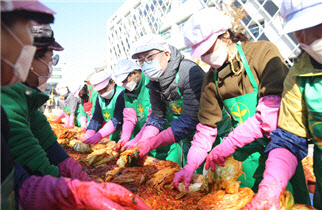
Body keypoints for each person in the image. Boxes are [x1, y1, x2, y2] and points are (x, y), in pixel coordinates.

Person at [1, 0, 150, 210]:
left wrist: (65, 171)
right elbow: (25, 150)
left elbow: (40, 139)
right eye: (20, 46)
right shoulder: (9, 93)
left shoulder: (21, 93)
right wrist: (62, 190)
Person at [180, 6, 310, 203]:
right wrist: (190, 165)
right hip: (245, 159)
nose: (204, 57)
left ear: (224, 35)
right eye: (201, 53)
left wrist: (228, 144)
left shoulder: (262, 53)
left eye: (208, 50)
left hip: (280, 151)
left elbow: (270, 115)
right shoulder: (211, 80)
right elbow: (206, 130)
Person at [245, 0, 322, 209]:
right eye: (298, 30)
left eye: (315, 26)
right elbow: (290, 135)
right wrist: (271, 185)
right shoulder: (299, 75)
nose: (305, 38)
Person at [123, 33, 232, 173]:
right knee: (192, 182)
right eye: (141, 61)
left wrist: (151, 143)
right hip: (188, 140)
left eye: (150, 57)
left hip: (214, 137)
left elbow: (190, 120)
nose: (145, 64)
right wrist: (141, 142)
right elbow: (157, 117)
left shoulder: (188, 72)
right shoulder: (154, 81)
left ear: (167, 54)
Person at [1, 23, 92, 180]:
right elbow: (27, 153)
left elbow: (43, 134)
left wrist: (67, 164)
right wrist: (66, 189)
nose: (51, 65)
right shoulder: (7, 94)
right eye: (51, 59)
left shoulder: (25, 94)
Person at [112, 59, 152, 147]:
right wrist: (125, 136)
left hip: (161, 137)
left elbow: (155, 117)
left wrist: (137, 139)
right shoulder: (128, 92)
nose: (124, 85)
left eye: (125, 80)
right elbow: (130, 117)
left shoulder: (150, 82)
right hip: (141, 138)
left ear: (134, 73)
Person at [79, 70, 125, 143]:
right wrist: (89, 134)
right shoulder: (100, 97)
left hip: (126, 136)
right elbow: (97, 117)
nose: (103, 93)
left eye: (105, 88)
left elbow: (117, 118)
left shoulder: (122, 94)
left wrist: (99, 135)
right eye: (100, 91)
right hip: (113, 135)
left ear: (112, 82)